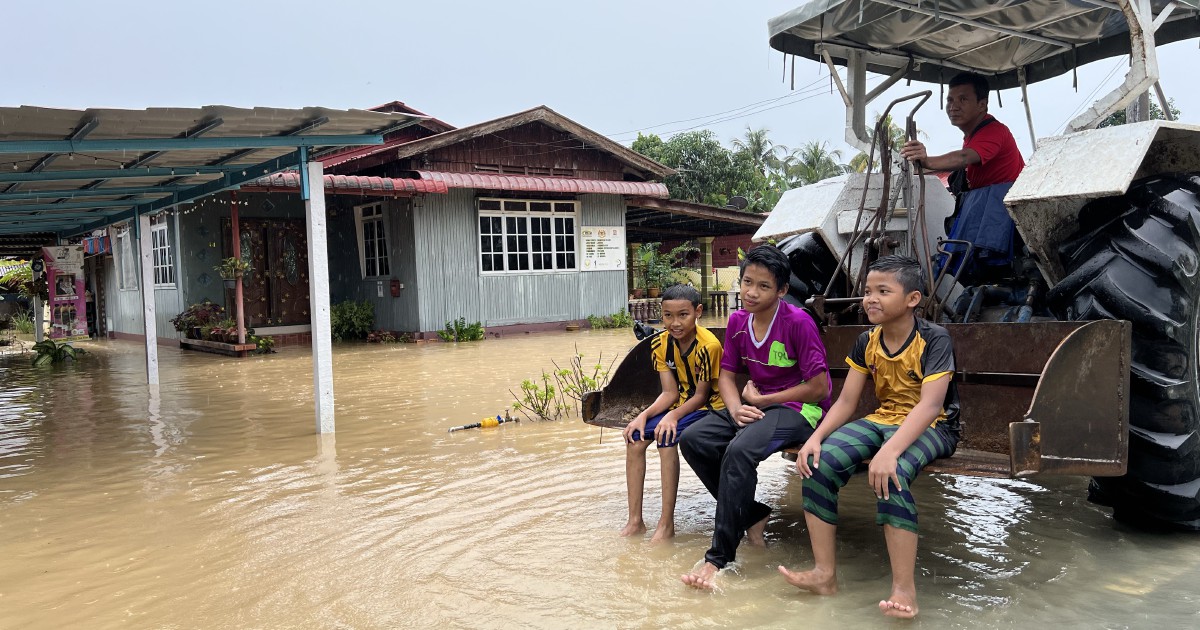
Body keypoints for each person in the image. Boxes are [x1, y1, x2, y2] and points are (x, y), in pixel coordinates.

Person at [778, 255, 960, 620]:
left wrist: (890, 452)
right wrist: (816, 438)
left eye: (882, 291)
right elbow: (846, 401)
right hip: (883, 420)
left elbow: (929, 407)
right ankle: (824, 575)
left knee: (891, 475)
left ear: (912, 299)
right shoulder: (866, 340)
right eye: (867, 291)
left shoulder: (934, 339)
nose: (870, 299)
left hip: (934, 425)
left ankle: (904, 590)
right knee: (818, 465)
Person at [679, 244, 831, 589]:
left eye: (763, 286)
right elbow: (727, 377)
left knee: (739, 450)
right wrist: (735, 408)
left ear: (782, 290)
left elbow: (819, 388)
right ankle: (751, 514)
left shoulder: (798, 323)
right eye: (747, 282)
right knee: (695, 439)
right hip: (758, 405)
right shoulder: (737, 322)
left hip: (799, 410)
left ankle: (718, 559)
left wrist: (764, 399)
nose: (750, 292)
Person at [621, 284, 724, 543]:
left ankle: (666, 524)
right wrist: (642, 416)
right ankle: (635, 521)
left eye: (683, 315)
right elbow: (669, 393)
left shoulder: (709, 346)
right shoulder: (659, 343)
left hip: (708, 406)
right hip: (680, 404)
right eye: (668, 315)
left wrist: (671, 417)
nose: (674, 323)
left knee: (666, 436)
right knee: (635, 438)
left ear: (698, 312)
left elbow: (701, 395)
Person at [899, 71, 1025, 280]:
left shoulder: (994, 131)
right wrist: (918, 165)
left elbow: (965, 157)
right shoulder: (972, 136)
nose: (953, 106)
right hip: (984, 211)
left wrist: (928, 160)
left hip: (1002, 217)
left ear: (982, 104)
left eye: (963, 99)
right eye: (950, 100)